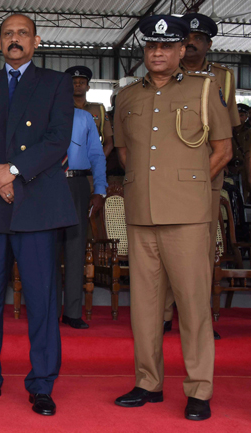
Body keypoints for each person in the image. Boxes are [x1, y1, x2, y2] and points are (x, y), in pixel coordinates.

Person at [0, 14, 76, 416]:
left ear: (36, 41)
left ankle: (42, 383)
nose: (15, 39)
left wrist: (14, 172)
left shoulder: (56, 84)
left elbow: (58, 139)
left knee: (41, 299)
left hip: (35, 204)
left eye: (23, 33)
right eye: (8, 34)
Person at [112, 15, 232, 421]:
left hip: (188, 216)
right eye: (151, 46)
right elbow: (125, 153)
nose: (158, 52)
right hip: (141, 214)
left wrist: (190, 188)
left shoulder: (204, 90)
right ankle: (148, 382)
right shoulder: (127, 97)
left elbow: (222, 149)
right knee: (144, 307)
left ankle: (199, 389)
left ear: (183, 50)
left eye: (167, 46)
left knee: (193, 304)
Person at [162, 12, 241, 333]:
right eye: (187, 39)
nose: (192, 44)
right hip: (167, 177)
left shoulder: (222, 78)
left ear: (209, 44)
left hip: (208, 175)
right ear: (178, 45)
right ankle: (164, 315)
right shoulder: (164, 74)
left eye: (199, 39)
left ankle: (200, 319)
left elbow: (228, 134)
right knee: (164, 246)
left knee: (202, 250)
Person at [56, 108, 107, 329]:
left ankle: (73, 312)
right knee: (47, 250)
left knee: (75, 248)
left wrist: (100, 189)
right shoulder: (41, 112)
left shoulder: (84, 117)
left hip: (77, 183)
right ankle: (48, 310)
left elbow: (96, 153)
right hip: (47, 183)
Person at [64, 66, 114, 158]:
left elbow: (109, 142)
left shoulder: (99, 109)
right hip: (65, 164)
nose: (78, 85)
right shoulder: (60, 109)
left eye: (82, 82)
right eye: (74, 82)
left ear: (88, 87)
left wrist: (96, 162)